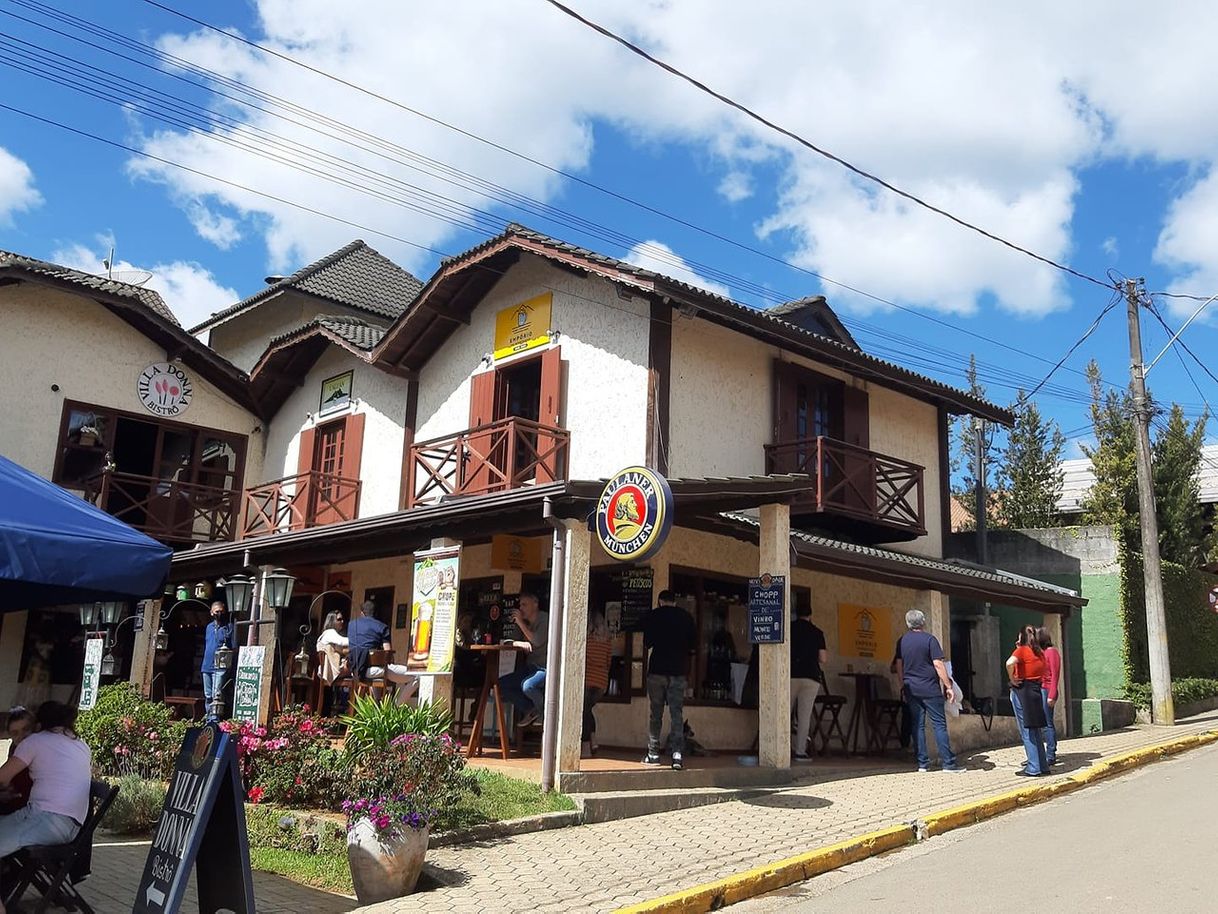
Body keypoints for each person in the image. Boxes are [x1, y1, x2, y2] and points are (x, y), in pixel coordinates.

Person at [0, 702, 92, 861]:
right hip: (71, 826)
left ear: (38, 725)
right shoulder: (81, 744)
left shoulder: (35, 741)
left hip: (48, 820)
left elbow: (2, 778)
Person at [894, 609, 964, 773]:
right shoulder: (930, 640)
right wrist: (948, 686)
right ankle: (948, 763)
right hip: (930, 688)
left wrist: (902, 683)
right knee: (939, 724)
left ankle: (922, 763)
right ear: (923, 622)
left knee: (917, 725)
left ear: (908, 623)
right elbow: (938, 664)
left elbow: (899, 664)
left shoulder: (902, 641)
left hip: (911, 687)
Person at [640, 590, 697, 770]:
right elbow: (693, 647)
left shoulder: (654, 616)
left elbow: (647, 643)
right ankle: (677, 754)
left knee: (655, 713)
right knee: (676, 714)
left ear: (659, 601)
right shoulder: (687, 618)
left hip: (657, 670)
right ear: (674, 601)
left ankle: (653, 753)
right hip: (678, 671)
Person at [346, 601, 418, 698]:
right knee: (417, 676)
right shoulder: (382, 627)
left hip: (355, 671)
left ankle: (377, 705)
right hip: (375, 671)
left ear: (362, 613)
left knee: (380, 672)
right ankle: (397, 706)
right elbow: (387, 652)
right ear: (375, 614)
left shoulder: (351, 625)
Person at [497, 594, 549, 726]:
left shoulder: (545, 619)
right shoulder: (523, 622)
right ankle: (531, 710)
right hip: (530, 667)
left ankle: (545, 714)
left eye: (524, 605)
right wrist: (518, 643)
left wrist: (519, 622)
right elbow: (508, 642)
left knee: (528, 686)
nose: (521, 608)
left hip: (545, 668)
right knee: (501, 684)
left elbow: (536, 641)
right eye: (520, 605)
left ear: (535, 604)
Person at [1007, 625, 1049, 777]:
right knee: (1036, 729)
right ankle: (1043, 765)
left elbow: (1009, 663)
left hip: (1022, 690)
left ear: (1022, 638)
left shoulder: (1022, 650)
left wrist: (1012, 678)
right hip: (1036, 689)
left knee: (1027, 730)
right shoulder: (1040, 653)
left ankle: (1033, 766)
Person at [790, 604, 828, 761]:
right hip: (811, 676)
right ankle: (800, 752)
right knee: (804, 716)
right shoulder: (817, 632)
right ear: (810, 615)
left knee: (784, 713)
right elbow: (823, 658)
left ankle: (781, 749)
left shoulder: (789, 629)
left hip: (790, 674)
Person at [583, 610, 613, 758]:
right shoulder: (607, 641)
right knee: (587, 709)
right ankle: (593, 741)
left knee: (584, 711)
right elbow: (609, 662)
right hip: (602, 681)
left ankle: (587, 744)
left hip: (588, 678)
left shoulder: (586, 640)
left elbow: (583, 659)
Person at [201, 600, 236, 719]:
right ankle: (208, 718)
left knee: (217, 693)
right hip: (207, 665)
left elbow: (233, 647)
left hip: (220, 666)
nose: (219, 614)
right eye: (216, 612)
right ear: (211, 613)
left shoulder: (228, 627)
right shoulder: (209, 627)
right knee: (208, 695)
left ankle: (214, 720)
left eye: (221, 611)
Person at [0, 707, 34, 815]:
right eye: (15, 733)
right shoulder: (15, 750)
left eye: (25, 729)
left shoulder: (39, 751)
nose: (21, 736)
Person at [1037, 626, 1062, 766]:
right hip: (1041, 690)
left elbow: (1055, 674)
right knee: (1043, 724)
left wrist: (1052, 695)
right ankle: (1046, 753)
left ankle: (1051, 754)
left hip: (1047, 690)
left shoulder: (1051, 652)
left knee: (1048, 724)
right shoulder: (1041, 653)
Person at [316, 611, 349, 715]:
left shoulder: (326, 635)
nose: (342, 621)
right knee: (358, 670)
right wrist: (360, 639)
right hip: (331, 670)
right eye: (339, 619)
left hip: (327, 670)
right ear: (332, 621)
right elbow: (343, 642)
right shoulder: (330, 632)